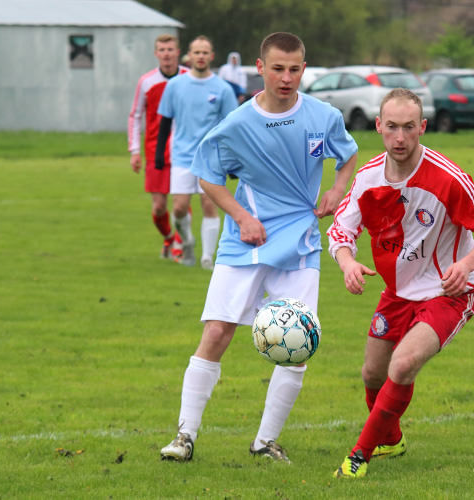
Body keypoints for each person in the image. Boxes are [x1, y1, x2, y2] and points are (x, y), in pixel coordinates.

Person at [159, 32, 359, 463]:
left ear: (303, 69)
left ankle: (265, 442)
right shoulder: (236, 125)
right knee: (216, 331)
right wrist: (242, 216)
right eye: (278, 68)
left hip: (300, 242)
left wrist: (338, 189)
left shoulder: (324, 117)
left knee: (299, 342)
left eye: (294, 69)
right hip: (246, 242)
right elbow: (208, 177)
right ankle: (184, 436)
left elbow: (346, 158)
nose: (286, 78)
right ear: (260, 68)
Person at [327, 88, 474, 478]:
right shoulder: (368, 177)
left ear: (422, 127)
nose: (400, 138)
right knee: (372, 374)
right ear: (378, 126)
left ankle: (359, 455)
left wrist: (468, 262)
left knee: (404, 363)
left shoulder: (447, 177)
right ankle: (392, 441)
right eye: (391, 127)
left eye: (409, 127)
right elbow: (340, 231)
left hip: (448, 292)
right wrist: (347, 264)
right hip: (397, 292)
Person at [155, 36, 238, 270]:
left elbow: (231, 128)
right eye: (196, 52)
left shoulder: (222, 89)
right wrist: (160, 153)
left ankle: (207, 257)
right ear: (189, 56)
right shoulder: (175, 86)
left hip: (210, 157)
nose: (200, 56)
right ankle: (188, 242)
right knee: (179, 207)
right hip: (181, 155)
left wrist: (231, 163)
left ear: (211, 56)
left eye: (205, 52)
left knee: (208, 204)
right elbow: (165, 120)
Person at [127, 34, 188, 259]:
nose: (166, 54)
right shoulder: (147, 81)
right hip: (156, 150)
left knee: (181, 203)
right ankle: (169, 237)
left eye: (170, 49)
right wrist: (134, 150)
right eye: (162, 50)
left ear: (177, 52)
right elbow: (135, 115)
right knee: (159, 207)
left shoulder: (188, 78)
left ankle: (181, 245)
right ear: (156, 54)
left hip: (184, 149)